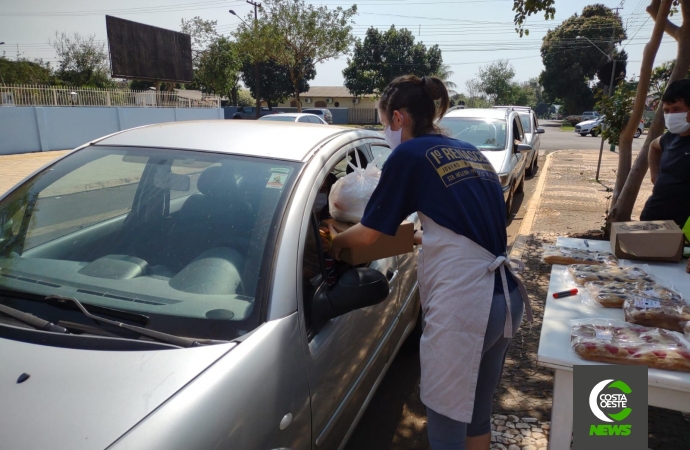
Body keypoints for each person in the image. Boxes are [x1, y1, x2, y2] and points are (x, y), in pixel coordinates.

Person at [330, 75, 532, 450]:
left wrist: (333, 241)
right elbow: (466, 230)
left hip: (466, 308)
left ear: (397, 119)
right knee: (475, 413)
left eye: (382, 121)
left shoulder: (408, 154)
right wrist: (420, 236)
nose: (385, 130)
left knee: (444, 419)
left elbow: (369, 234)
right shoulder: (468, 151)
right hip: (505, 299)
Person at [641, 79, 690, 227]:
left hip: (682, 227)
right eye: (667, 111)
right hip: (654, 216)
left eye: (677, 109)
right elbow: (653, 147)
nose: (671, 115)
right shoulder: (670, 138)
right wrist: (655, 176)